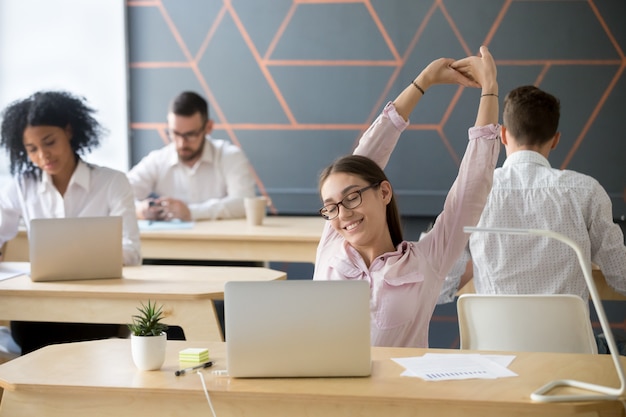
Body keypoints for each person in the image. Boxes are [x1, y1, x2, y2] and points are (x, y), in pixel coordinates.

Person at [313, 46, 500, 348]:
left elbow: (471, 189)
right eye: (331, 208)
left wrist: (489, 90)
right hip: (327, 391)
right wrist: (424, 79)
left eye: (352, 198)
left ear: (383, 192)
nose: (342, 214)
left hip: (399, 392)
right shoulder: (331, 247)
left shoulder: (427, 260)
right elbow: (365, 155)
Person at [438, 85, 626, 306]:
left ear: (503, 135)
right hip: (566, 340)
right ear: (555, 140)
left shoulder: (473, 191)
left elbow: (440, 288)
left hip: (492, 341)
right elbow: (620, 275)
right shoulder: (586, 192)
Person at [0, 90, 142, 354]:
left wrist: (84, 259)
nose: (43, 155)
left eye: (49, 142)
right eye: (32, 149)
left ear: (69, 131)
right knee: (33, 335)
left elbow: (132, 253)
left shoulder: (111, 182)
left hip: (96, 310)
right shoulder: (20, 187)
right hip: (37, 314)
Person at [127, 91, 256, 222]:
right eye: (175, 134)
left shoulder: (230, 156)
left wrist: (191, 212)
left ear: (208, 127)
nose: (182, 143)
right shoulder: (158, 160)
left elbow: (244, 203)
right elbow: (118, 194)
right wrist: (139, 210)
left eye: (191, 134)